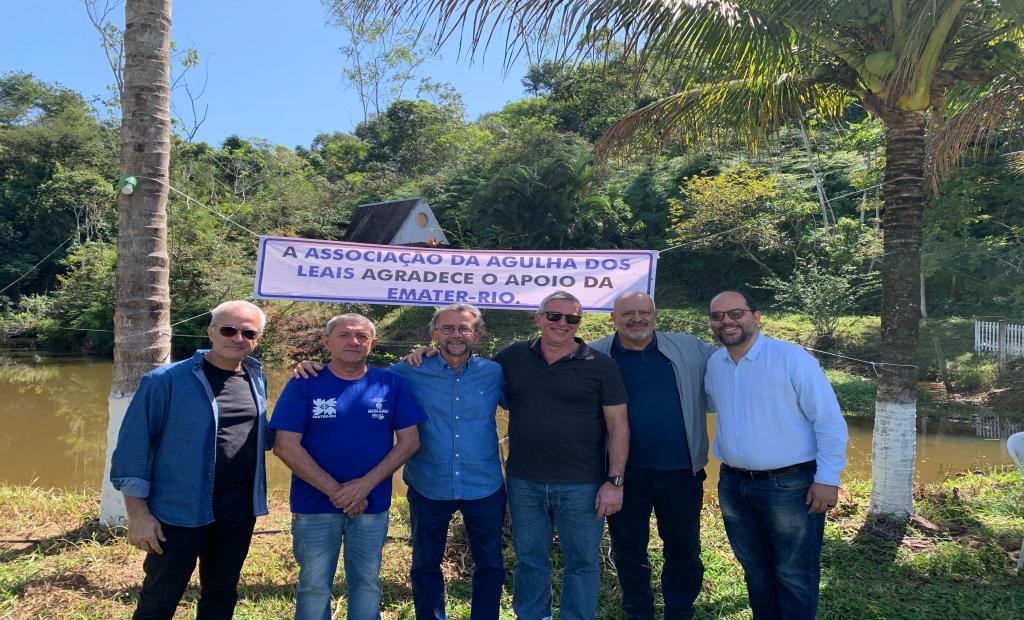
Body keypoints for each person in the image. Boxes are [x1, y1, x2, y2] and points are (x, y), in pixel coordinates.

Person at [295, 304, 506, 620]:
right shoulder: (406, 371)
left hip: (484, 485)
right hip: (429, 485)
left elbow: (529, 403)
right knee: (425, 564)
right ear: (434, 334)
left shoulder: (495, 373)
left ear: (477, 334)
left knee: (490, 563)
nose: (456, 335)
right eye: (447, 328)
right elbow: (356, 374)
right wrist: (312, 368)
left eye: (464, 328)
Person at [110, 299, 272, 620]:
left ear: (258, 339)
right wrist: (138, 515)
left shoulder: (257, 379)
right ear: (211, 332)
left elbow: (263, 437)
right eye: (228, 329)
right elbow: (133, 449)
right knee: (161, 595)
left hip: (237, 509)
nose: (237, 337)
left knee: (222, 590)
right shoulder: (164, 380)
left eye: (247, 332)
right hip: (177, 508)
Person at [703, 290, 848, 620]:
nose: (727, 321)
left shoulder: (791, 358)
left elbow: (827, 420)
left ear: (756, 316)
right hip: (734, 485)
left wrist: (828, 479)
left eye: (735, 313)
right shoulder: (715, 364)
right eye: (718, 316)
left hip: (790, 486)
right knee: (754, 568)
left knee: (794, 573)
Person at [271, 313, 423, 620]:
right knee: (313, 585)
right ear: (326, 342)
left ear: (372, 343)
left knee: (367, 583)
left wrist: (362, 486)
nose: (353, 341)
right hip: (315, 504)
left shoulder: (391, 383)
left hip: (372, 503)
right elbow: (285, 445)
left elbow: (410, 442)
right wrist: (339, 492)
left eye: (361, 336)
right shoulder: (304, 382)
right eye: (344, 335)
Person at [495, 291, 629, 620]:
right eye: (554, 316)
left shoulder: (601, 366)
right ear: (538, 318)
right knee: (529, 559)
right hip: (524, 480)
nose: (562, 324)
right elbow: (467, 368)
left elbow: (619, 427)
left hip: (582, 485)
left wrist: (615, 481)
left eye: (572, 319)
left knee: (582, 563)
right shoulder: (511, 357)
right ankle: (532, 615)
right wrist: (428, 353)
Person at [589, 291, 716, 620]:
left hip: (681, 472)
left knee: (684, 549)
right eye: (627, 313)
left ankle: (679, 610)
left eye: (644, 312)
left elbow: (737, 360)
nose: (636, 318)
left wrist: (785, 356)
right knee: (629, 551)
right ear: (613, 318)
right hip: (623, 475)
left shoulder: (689, 348)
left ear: (655, 314)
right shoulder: (594, 355)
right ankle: (638, 611)